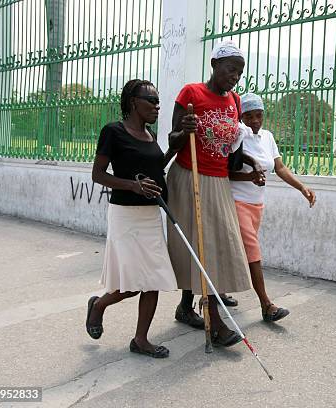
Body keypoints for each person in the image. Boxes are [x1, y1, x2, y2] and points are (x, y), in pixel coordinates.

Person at [167, 41, 264, 346]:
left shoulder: (234, 100)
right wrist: (185, 129)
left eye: (239, 71)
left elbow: (232, 148)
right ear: (214, 65)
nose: (235, 76)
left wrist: (248, 161)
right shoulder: (191, 93)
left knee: (213, 244)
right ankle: (216, 322)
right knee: (198, 244)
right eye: (230, 69)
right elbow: (173, 141)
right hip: (189, 176)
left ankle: (186, 307)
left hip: (219, 181)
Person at [85, 79, 177, 358]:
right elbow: (98, 175)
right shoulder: (113, 132)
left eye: (158, 101)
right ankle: (99, 305)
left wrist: (172, 149)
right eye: (150, 100)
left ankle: (141, 340)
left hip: (150, 215)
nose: (156, 105)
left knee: (155, 279)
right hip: (125, 216)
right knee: (131, 285)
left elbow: (155, 169)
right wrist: (132, 186)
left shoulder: (151, 136)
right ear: (132, 102)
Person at [229, 93, 316, 321]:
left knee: (237, 250)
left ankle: (216, 291)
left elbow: (279, 167)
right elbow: (226, 172)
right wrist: (248, 178)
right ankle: (266, 305)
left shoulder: (267, 137)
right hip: (236, 201)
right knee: (253, 252)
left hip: (257, 204)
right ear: (240, 116)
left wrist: (302, 188)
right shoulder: (237, 135)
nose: (255, 121)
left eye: (259, 115)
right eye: (248, 116)